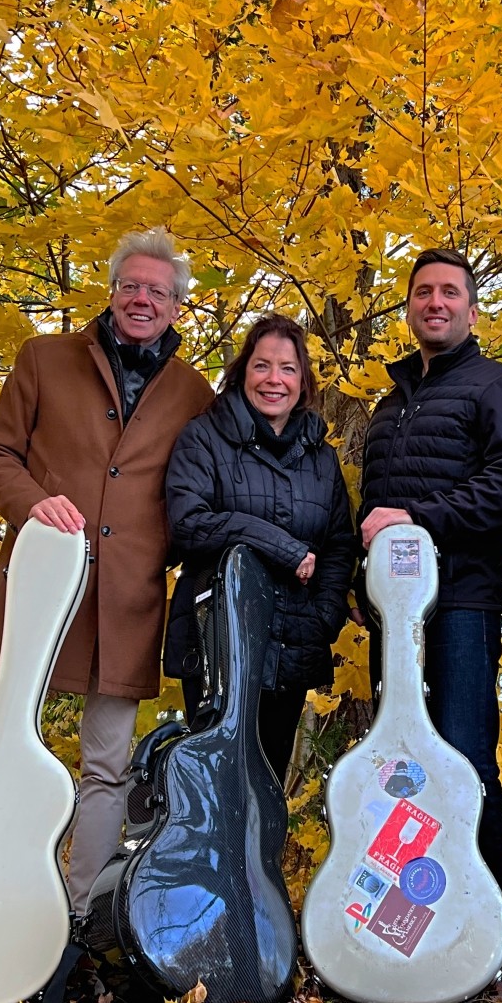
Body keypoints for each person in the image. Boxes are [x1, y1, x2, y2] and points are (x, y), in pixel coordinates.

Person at [0, 227, 213, 916]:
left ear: (176, 307)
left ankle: (74, 919)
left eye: (157, 292)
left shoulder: (194, 392)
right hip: (39, 589)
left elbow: (203, 486)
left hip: (128, 603)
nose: (142, 299)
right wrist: (32, 504)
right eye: (131, 286)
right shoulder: (45, 358)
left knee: (106, 766)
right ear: (112, 291)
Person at [359, 248, 502, 912]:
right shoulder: (390, 404)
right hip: (394, 613)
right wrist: (365, 588)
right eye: (422, 292)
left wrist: (418, 519)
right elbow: (372, 512)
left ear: (470, 307)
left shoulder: (499, 386)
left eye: (449, 292)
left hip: (462, 599)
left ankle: (483, 917)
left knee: (464, 754)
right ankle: (413, 914)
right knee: (402, 766)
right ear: (408, 306)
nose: (435, 302)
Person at [165, 314, 356, 784]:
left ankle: (259, 862)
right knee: (216, 785)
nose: (275, 380)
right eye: (262, 366)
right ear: (242, 372)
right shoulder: (204, 438)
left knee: (267, 785)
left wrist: (325, 616)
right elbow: (188, 524)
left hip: (293, 643)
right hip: (218, 644)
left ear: (303, 380)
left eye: (288, 369)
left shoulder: (321, 456)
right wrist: (282, 547)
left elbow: (337, 544)